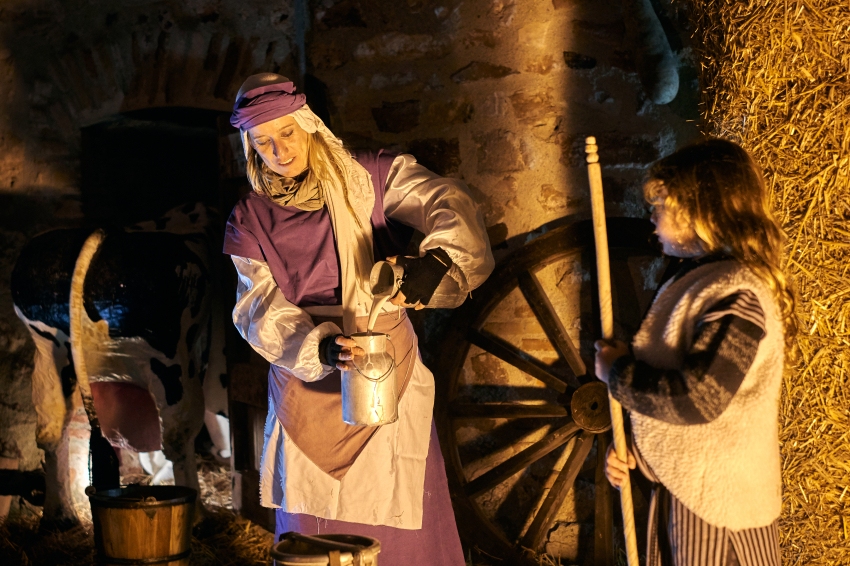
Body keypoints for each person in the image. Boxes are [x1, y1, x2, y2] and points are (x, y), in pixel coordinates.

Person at [222, 73, 494, 564]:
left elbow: (446, 201)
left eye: (287, 133)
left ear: (307, 125)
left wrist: (438, 262)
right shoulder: (250, 217)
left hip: (383, 365)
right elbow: (257, 305)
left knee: (400, 516)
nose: (280, 151)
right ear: (249, 148)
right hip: (306, 375)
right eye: (263, 142)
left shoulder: (366, 177)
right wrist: (319, 348)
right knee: (313, 522)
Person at [594, 139, 795, 566]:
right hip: (690, 494)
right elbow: (680, 403)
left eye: (663, 202)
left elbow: (697, 399)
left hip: (721, 510)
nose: (652, 213)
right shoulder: (698, 282)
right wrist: (638, 452)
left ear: (703, 211)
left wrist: (618, 374)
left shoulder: (738, 293)